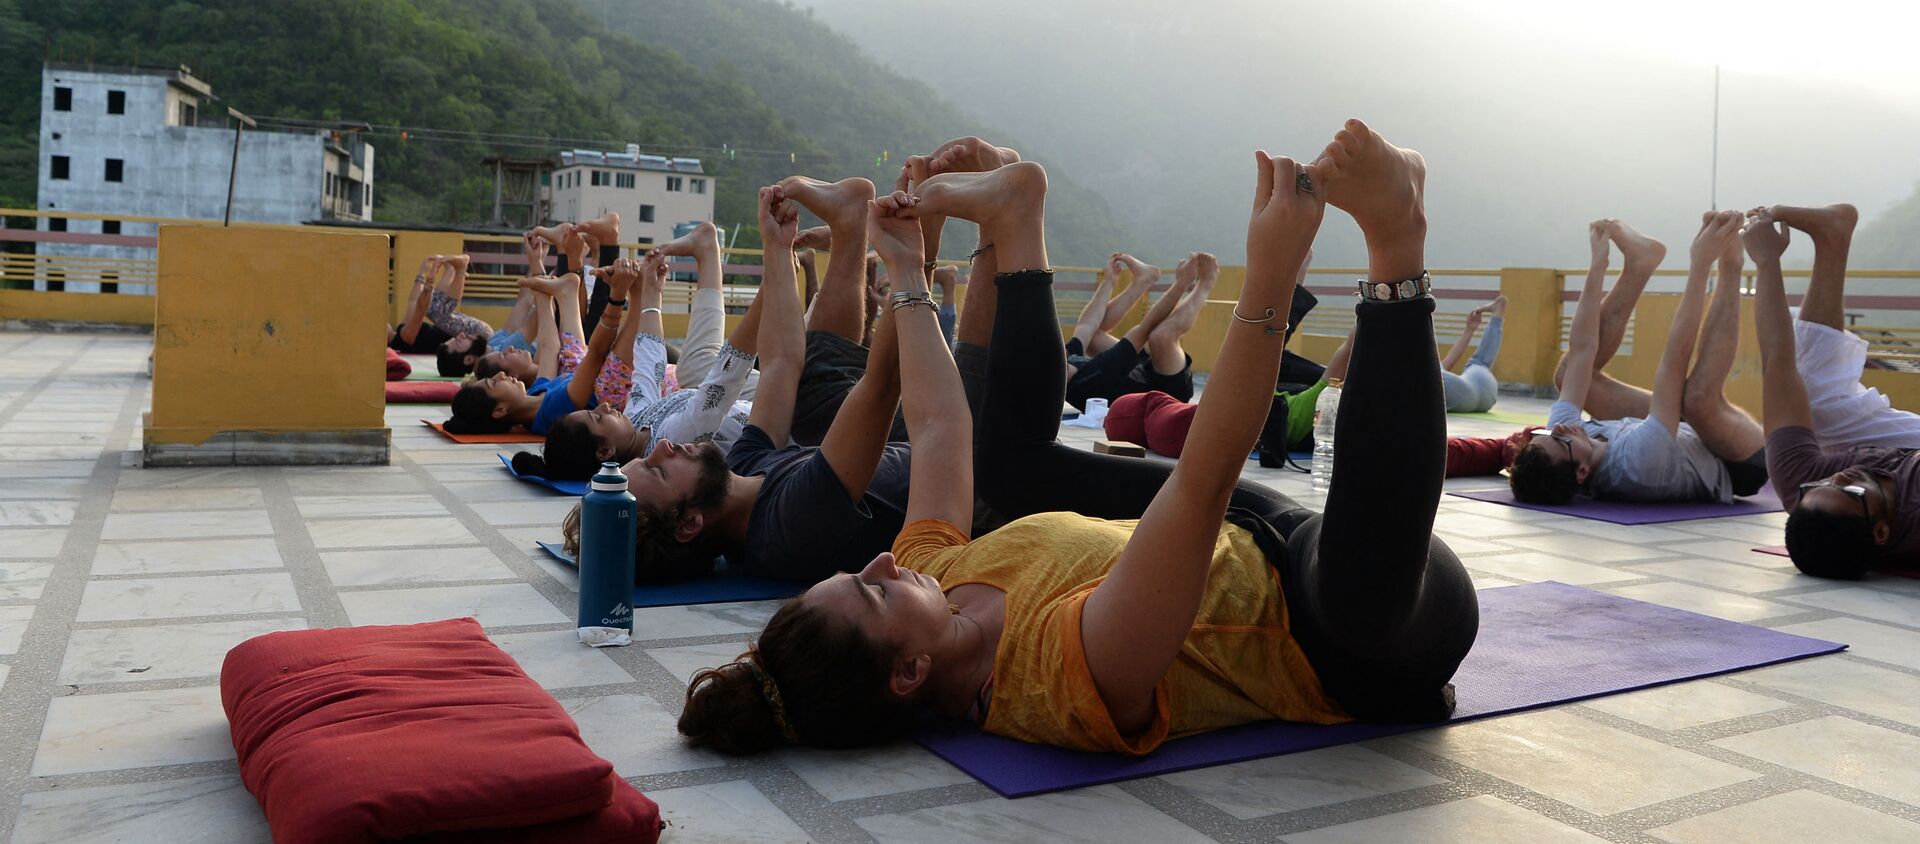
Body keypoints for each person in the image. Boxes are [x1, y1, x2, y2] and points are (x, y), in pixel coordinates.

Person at [677, 120, 1479, 757]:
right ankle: (1398, 240)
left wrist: (909, 275)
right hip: (1351, 628)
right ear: (911, 672)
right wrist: (1269, 276)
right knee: (1360, 603)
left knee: (1005, 468)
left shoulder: (930, 577)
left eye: (864, 570)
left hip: (1254, 530)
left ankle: (1018, 223)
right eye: (874, 589)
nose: (884, 559)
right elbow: (1198, 481)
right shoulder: (1052, 682)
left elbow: (940, 425)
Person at [566, 178, 916, 585]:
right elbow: (881, 387)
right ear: (689, 526)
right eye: (659, 471)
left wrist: (777, 246)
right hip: (974, 467)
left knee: (810, 388)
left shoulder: (740, 476)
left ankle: (850, 221)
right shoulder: (788, 524)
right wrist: (913, 257)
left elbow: (782, 364)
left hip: (923, 437)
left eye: (647, 459)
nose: (661, 446)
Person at [1508, 216, 1769, 504]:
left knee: (1569, 372)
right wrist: (1701, 263)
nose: (1557, 428)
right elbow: (1675, 359)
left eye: (1545, 433)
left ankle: (1639, 263)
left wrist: (1597, 265)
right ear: (1582, 472)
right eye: (1558, 439)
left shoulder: (1570, 438)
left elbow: (1582, 349)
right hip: (1735, 461)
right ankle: (1731, 263)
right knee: (1697, 400)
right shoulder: (1638, 465)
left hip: (1673, 431)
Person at [1745, 203, 1918, 578]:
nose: (1842, 475)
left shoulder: (1806, 482)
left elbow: (1778, 362)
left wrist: (1766, 262)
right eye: (1852, 492)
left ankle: (1832, 238)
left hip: (1901, 451)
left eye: (1822, 483)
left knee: (1814, 399)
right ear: (1882, 531)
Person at [525, 246, 763, 483]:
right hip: (781, 425)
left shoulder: (637, 421)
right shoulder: (668, 444)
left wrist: (651, 292)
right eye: (597, 417)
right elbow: (723, 382)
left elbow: (648, 366)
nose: (605, 406)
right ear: (605, 452)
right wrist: (771, 283)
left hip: (760, 403)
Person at [442, 261, 633, 436]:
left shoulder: (534, 395)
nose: (500, 376)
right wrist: (618, 297)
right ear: (500, 410)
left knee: (568, 361)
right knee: (598, 373)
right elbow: (595, 357)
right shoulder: (550, 414)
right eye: (493, 383)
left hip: (596, 375)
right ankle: (639, 292)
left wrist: (542, 297)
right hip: (613, 392)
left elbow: (549, 348)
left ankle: (566, 293)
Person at [1062, 251, 1214, 411]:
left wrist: (1109, 280)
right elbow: (1145, 328)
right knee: (1160, 336)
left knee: (1092, 335)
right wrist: (1182, 283)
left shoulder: (1067, 360)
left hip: (1139, 372)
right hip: (1165, 392)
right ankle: (1205, 284)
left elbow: (1086, 326)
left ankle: (1143, 280)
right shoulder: (1090, 380)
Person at [1440, 295, 1507, 413]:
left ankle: (1497, 313)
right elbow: (1450, 361)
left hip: (1483, 397)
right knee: (1479, 362)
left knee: (1480, 363)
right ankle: (1497, 313)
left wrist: (1469, 330)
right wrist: (1469, 330)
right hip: (1484, 388)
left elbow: (1449, 361)